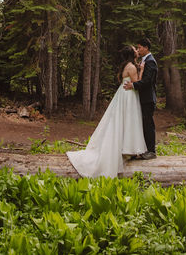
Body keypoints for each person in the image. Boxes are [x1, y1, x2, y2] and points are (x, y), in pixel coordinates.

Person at [66, 46, 147, 178]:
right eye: (135, 50)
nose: (137, 51)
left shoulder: (127, 65)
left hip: (124, 94)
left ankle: (127, 148)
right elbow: (137, 83)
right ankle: (126, 148)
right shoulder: (131, 67)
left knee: (122, 120)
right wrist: (142, 70)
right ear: (132, 54)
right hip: (128, 96)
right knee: (127, 120)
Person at [123, 37, 157, 159]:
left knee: (148, 124)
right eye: (137, 48)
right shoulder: (144, 61)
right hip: (142, 98)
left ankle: (151, 151)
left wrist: (133, 85)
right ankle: (143, 149)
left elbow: (148, 81)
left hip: (148, 99)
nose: (138, 49)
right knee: (143, 124)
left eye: (140, 47)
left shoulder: (151, 62)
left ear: (146, 48)